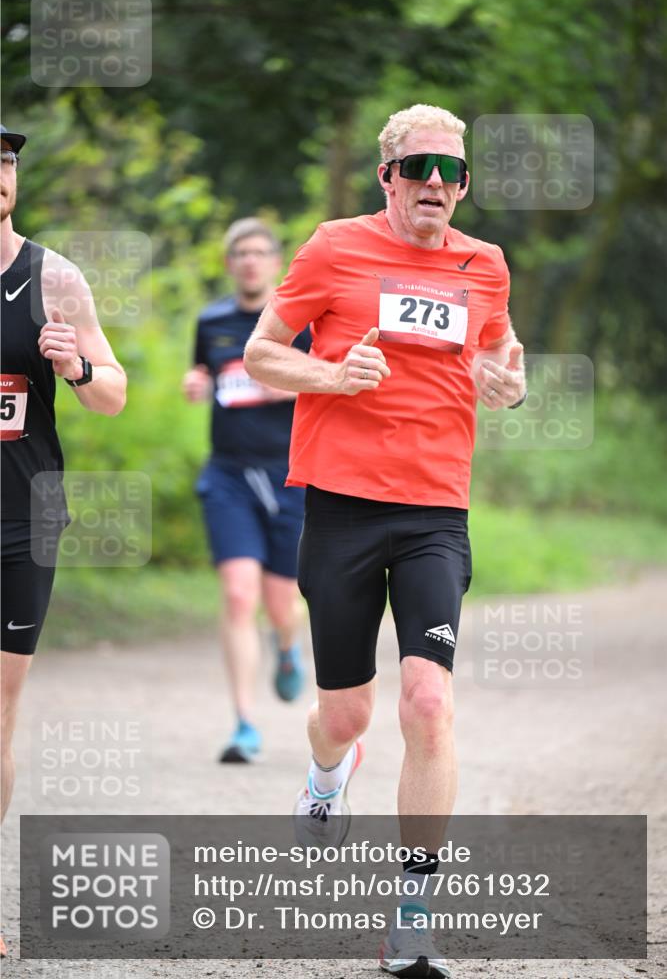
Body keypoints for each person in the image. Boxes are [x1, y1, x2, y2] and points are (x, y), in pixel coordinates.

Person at [244, 104, 526, 977]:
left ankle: (411, 915)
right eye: (418, 169)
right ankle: (328, 775)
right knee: (346, 714)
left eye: (451, 171)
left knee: (429, 705)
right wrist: (330, 373)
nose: (435, 184)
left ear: (464, 184)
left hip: (436, 510)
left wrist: (508, 383)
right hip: (340, 505)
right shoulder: (333, 247)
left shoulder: (486, 264)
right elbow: (260, 354)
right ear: (387, 178)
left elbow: (502, 358)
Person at [0, 123, 127, 956]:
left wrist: (78, 369)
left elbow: (114, 392)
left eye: (5, 164)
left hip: (23, 520)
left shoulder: (55, 278)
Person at [182, 218, 310, 764]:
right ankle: (244, 725)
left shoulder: (298, 321)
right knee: (239, 595)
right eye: (241, 253)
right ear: (230, 262)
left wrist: (281, 386)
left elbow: (324, 381)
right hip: (229, 474)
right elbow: (205, 372)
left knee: (283, 605)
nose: (251, 261)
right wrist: (199, 383)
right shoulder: (211, 321)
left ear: (275, 261)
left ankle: (286, 645)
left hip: (288, 477)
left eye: (261, 253)